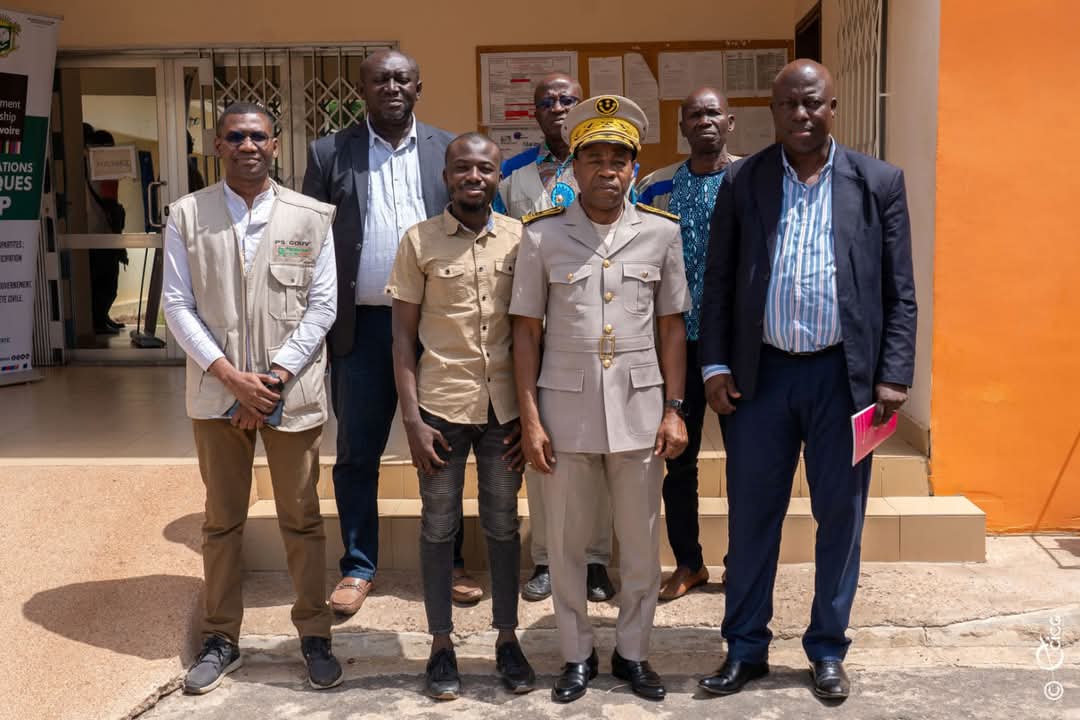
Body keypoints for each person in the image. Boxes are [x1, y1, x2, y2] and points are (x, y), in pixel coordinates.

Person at [697, 60, 916, 700]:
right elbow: (719, 279)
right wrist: (715, 365)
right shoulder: (743, 180)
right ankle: (745, 648)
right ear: (772, 110)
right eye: (788, 103)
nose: (801, 114)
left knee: (840, 517)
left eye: (812, 103)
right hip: (759, 381)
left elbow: (900, 290)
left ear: (832, 108)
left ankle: (826, 648)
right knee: (751, 518)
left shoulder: (878, 182)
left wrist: (893, 375)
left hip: (844, 382)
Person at [510, 95, 690, 704]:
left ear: (633, 168)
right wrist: (530, 418)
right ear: (577, 167)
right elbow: (525, 331)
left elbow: (672, 327)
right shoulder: (541, 236)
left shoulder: (661, 232)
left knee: (639, 544)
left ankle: (633, 652)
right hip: (564, 411)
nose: (607, 170)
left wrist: (674, 409)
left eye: (619, 159)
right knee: (564, 541)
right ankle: (576, 653)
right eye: (595, 158)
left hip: (640, 409)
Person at [162, 102, 343, 694]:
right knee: (221, 522)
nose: (248, 146)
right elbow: (177, 304)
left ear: (275, 144)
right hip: (217, 396)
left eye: (258, 136)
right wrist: (231, 379)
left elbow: (323, 306)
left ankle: (314, 635)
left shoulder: (311, 216)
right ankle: (221, 638)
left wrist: (270, 381)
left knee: (303, 518)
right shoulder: (187, 214)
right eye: (235, 136)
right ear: (217, 145)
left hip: (291, 392)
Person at [302, 49, 481, 614]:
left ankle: (449, 561)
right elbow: (310, 243)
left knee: (444, 448)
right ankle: (358, 566)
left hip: (438, 327)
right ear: (363, 89)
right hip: (362, 328)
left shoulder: (447, 149)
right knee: (357, 452)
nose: (392, 87)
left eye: (403, 78)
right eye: (380, 79)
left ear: (419, 87)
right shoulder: (329, 153)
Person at [388, 132, 535, 700]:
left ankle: (507, 639)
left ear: (498, 176)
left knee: (503, 524)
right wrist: (412, 422)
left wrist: (531, 416)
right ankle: (441, 646)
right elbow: (402, 340)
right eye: (462, 168)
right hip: (440, 410)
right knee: (438, 525)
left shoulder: (521, 239)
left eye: (485, 169)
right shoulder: (419, 240)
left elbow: (533, 334)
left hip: (504, 413)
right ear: (446, 175)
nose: (474, 177)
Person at [494, 73, 615, 604]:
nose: (559, 108)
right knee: (543, 444)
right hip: (533, 325)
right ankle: (545, 557)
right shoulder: (515, 175)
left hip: (596, 322)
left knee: (601, 447)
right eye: (548, 101)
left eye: (568, 99)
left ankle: (595, 559)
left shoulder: (609, 163)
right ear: (535, 113)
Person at [636, 87, 739, 602]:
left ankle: (741, 562)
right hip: (675, 343)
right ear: (682, 126)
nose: (704, 121)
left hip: (737, 348)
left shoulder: (751, 179)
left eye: (713, 113)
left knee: (747, 460)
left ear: (730, 122)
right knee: (679, 458)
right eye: (694, 114)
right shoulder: (656, 186)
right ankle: (689, 563)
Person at [83, 126, 128, 334]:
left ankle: (100, 318)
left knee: (92, 282)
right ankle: (99, 322)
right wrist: (119, 240)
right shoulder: (102, 163)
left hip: (85, 232)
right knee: (107, 282)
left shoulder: (77, 162)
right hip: (103, 232)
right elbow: (110, 203)